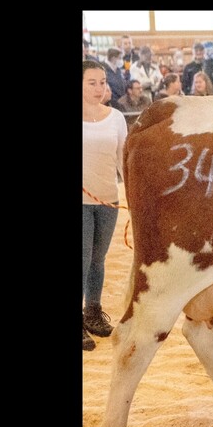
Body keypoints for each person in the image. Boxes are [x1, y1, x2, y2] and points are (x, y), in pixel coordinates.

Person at [82, 60, 128, 351]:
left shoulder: (116, 117)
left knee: (98, 260)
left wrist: (133, 193)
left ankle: (93, 313)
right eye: (92, 83)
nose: (99, 88)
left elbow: (123, 159)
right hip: (82, 201)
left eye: (102, 82)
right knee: (82, 259)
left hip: (108, 197)